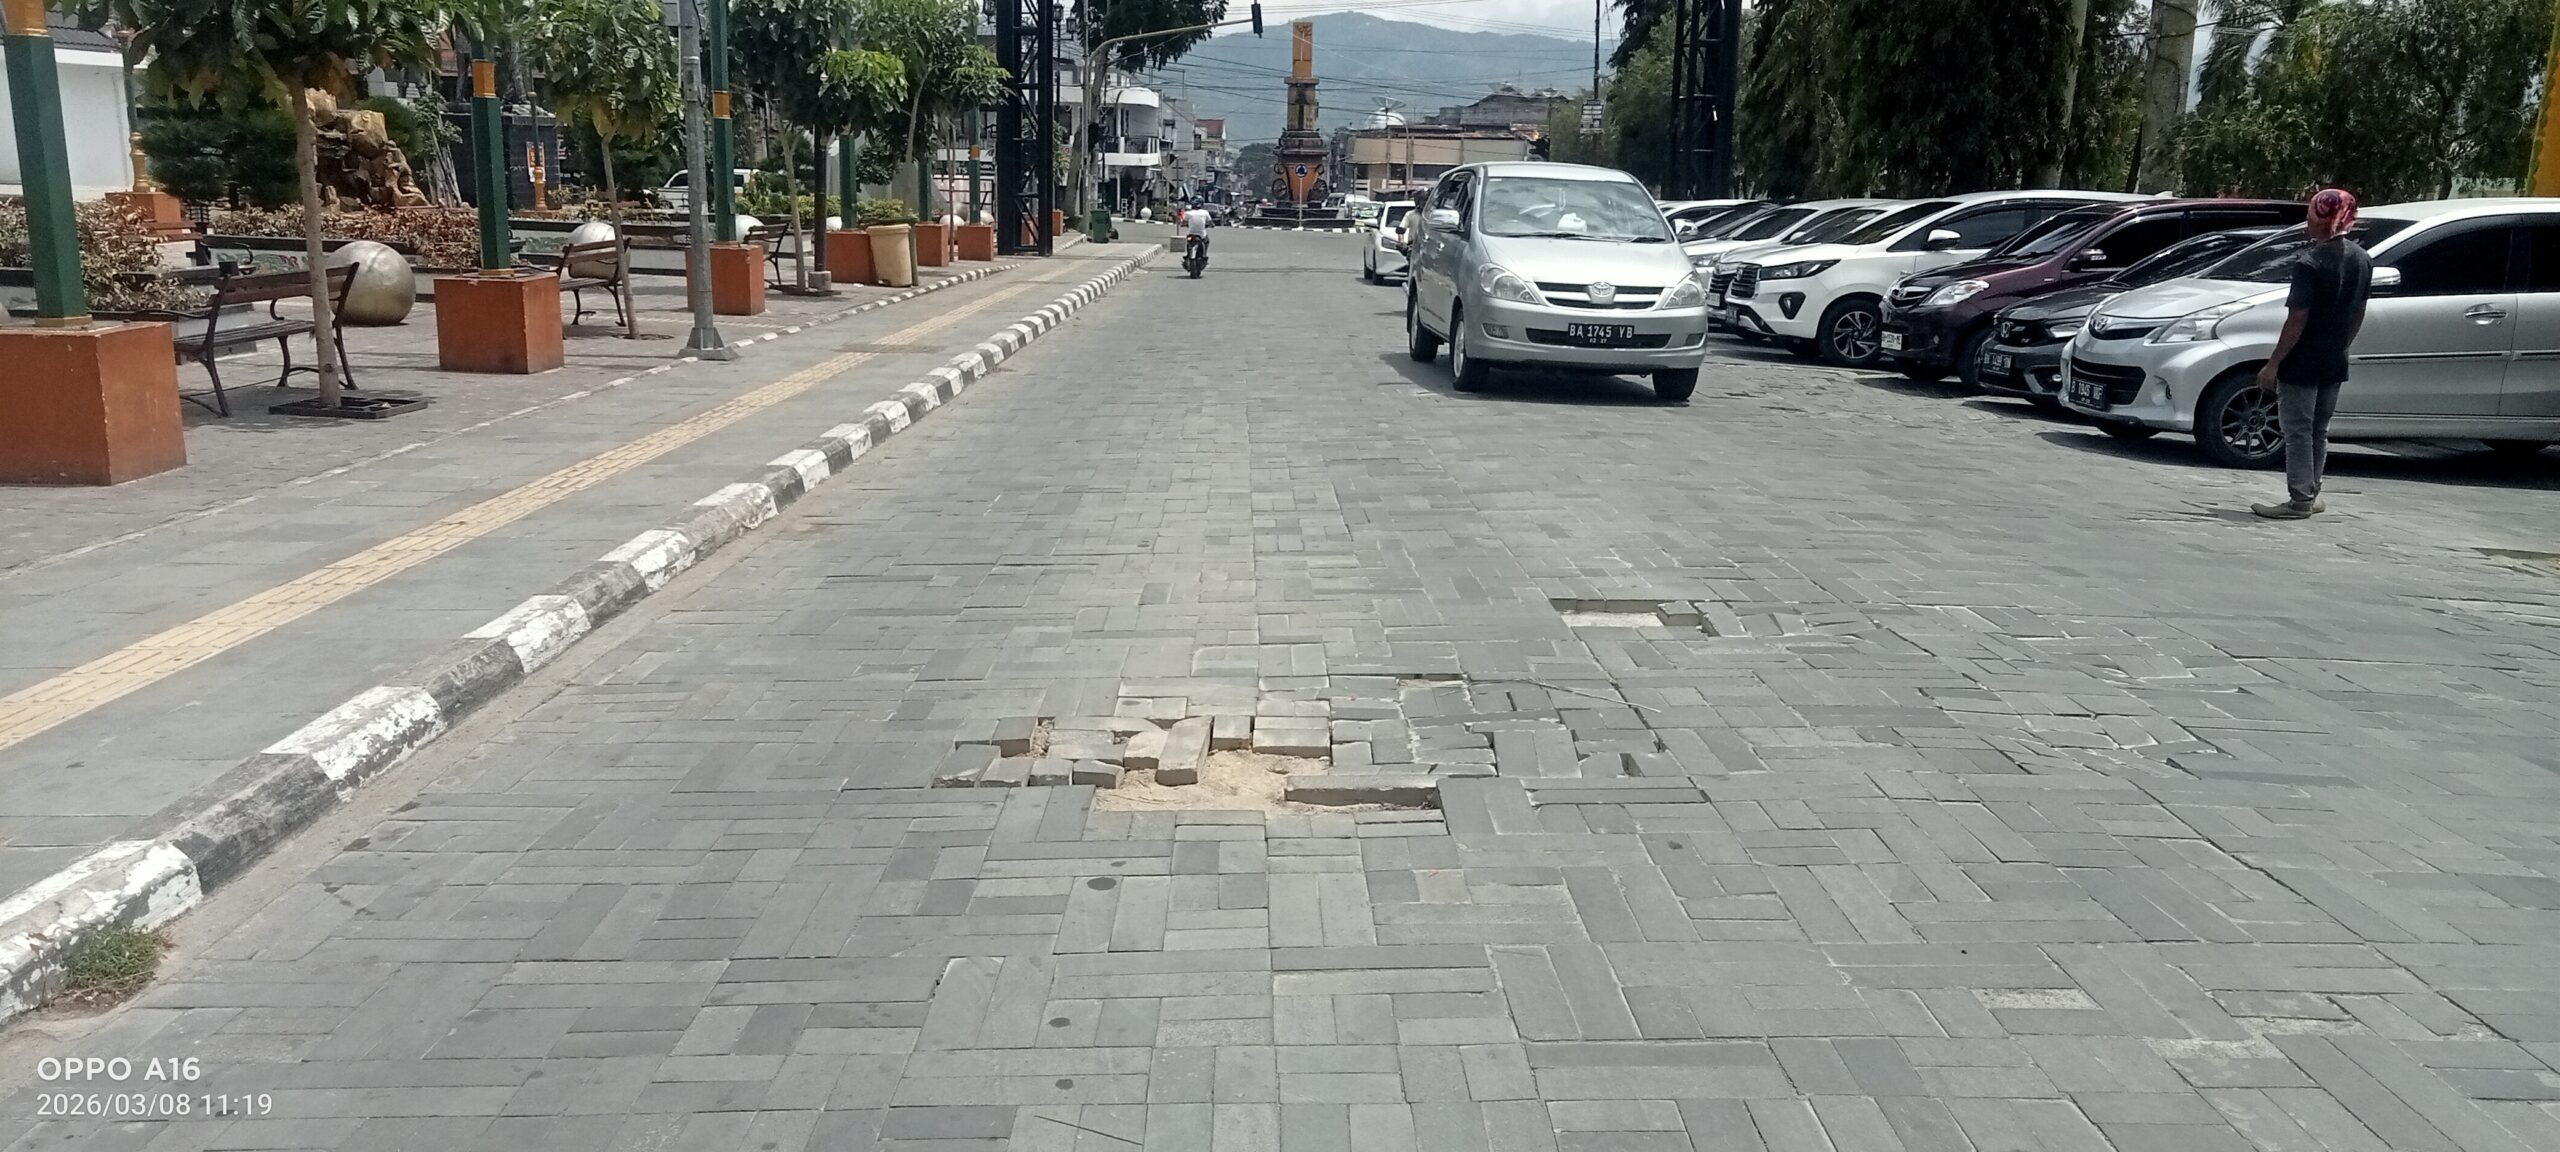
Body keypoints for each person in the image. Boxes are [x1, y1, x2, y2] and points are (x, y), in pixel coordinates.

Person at [2253, 188, 2372, 521]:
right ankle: (2312, 490)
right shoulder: (2362, 259)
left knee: (2298, 430)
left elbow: (2297, 318)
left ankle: (2300, 498)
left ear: (2320, 221)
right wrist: (2342, 345)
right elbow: (2358, 312)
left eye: (2310, 217)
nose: (2307, 223)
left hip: (2303, 360)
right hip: (2335, 358)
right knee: (2319, 429)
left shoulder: (2310, 263)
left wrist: (2273, 363)